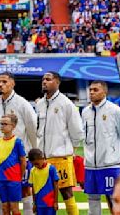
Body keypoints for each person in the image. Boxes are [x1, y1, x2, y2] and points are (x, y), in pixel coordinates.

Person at [36, 71, 84, 215]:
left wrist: (70, 150)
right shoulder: (40, 104)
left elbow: (77, 131)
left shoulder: (66, 103)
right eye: (43, 79)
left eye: (48, 79)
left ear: (57, 82)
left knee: (67, 194)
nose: (44, 82)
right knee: (45, 195)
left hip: (61, 157)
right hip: (44, 158)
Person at [82, 81, 120, 214]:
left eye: (95, 90)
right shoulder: (85, 112)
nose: (91, 92)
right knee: (92, 199)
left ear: (104, 92)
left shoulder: (116, 111)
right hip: (90, 165)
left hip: (110, 164)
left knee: (114, 199)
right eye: (90, 90)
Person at [0, 72, 37, 215]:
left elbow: (33, 128)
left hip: (21, 156)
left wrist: (34, 152)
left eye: (5, 81)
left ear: (13, 83)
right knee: (4, 192)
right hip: (3, 158)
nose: (1, 84)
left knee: (25, 189)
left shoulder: (22, 103)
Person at [0, 114, 27, 215]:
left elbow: (23, 160)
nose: (2, 126)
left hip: (14, 179)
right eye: (1, 123)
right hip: (2, 179)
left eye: (5, 124)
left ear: (13, 126)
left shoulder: (17, 142)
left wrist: (20, 176)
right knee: (4, 207)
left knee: (14, 208)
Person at [28, 148, 59, 215]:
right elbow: (33, 188)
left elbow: (56, 186)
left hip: (50, 203)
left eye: (37, 163)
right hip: (39, 204)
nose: (36, 166)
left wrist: (56, 202)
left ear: (42, 158)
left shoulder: (51, 169)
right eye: (33, 164)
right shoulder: (33, 171)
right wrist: (34, 203)